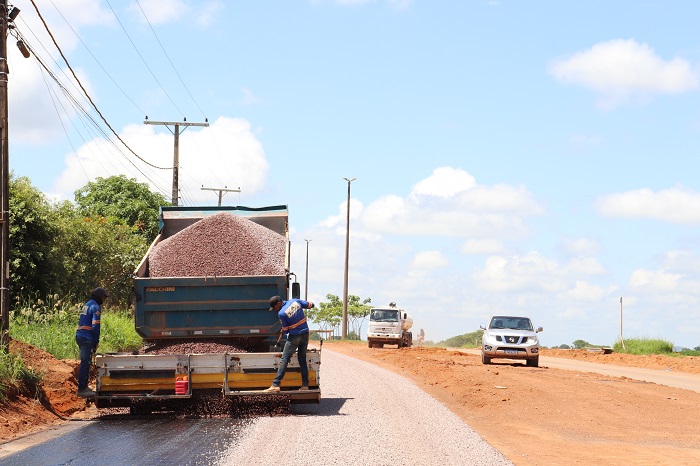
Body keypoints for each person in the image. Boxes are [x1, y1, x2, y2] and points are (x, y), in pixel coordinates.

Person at [264, 295, 314, 393]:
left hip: (294, 337)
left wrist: (283, 329)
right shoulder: (295, 301)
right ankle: (305, 385)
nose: (275, 310)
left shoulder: (282, 313)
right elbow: (311, 305)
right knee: (302, 360)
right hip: (305, 334)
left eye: (275, 307)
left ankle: (276, 384)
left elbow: (286, 331)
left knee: (284, 359)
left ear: (279, 303)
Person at [75, 287, 109, 397]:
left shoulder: (87, 304)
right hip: (87, 338)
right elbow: (95, 326)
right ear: (100, 297)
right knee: (86, 362)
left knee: (86, 361)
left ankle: (84, 386)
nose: (104, 300)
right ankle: (82, 389)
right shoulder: (95, 306)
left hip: (80, 336)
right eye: (104, 297)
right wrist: (96, 341)